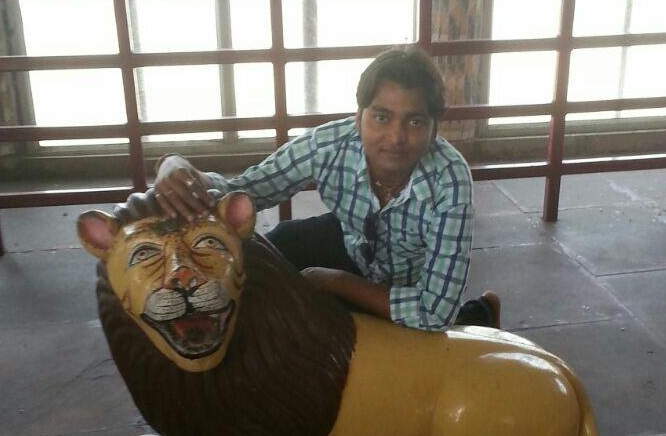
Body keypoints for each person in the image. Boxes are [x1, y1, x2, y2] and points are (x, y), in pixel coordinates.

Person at [152, 46, 500, 331]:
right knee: (277, 248)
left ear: (435, 127)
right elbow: (245, 190)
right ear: (358, 115)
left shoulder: (450, 181)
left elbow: (433, 310)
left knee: (419, 349)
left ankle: (478, 313)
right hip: (357, 250)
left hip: (410, 286)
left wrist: (333, 282)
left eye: (415, 121)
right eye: (381, 116)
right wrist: (177, 166)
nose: (396, 138)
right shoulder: (328, 144)